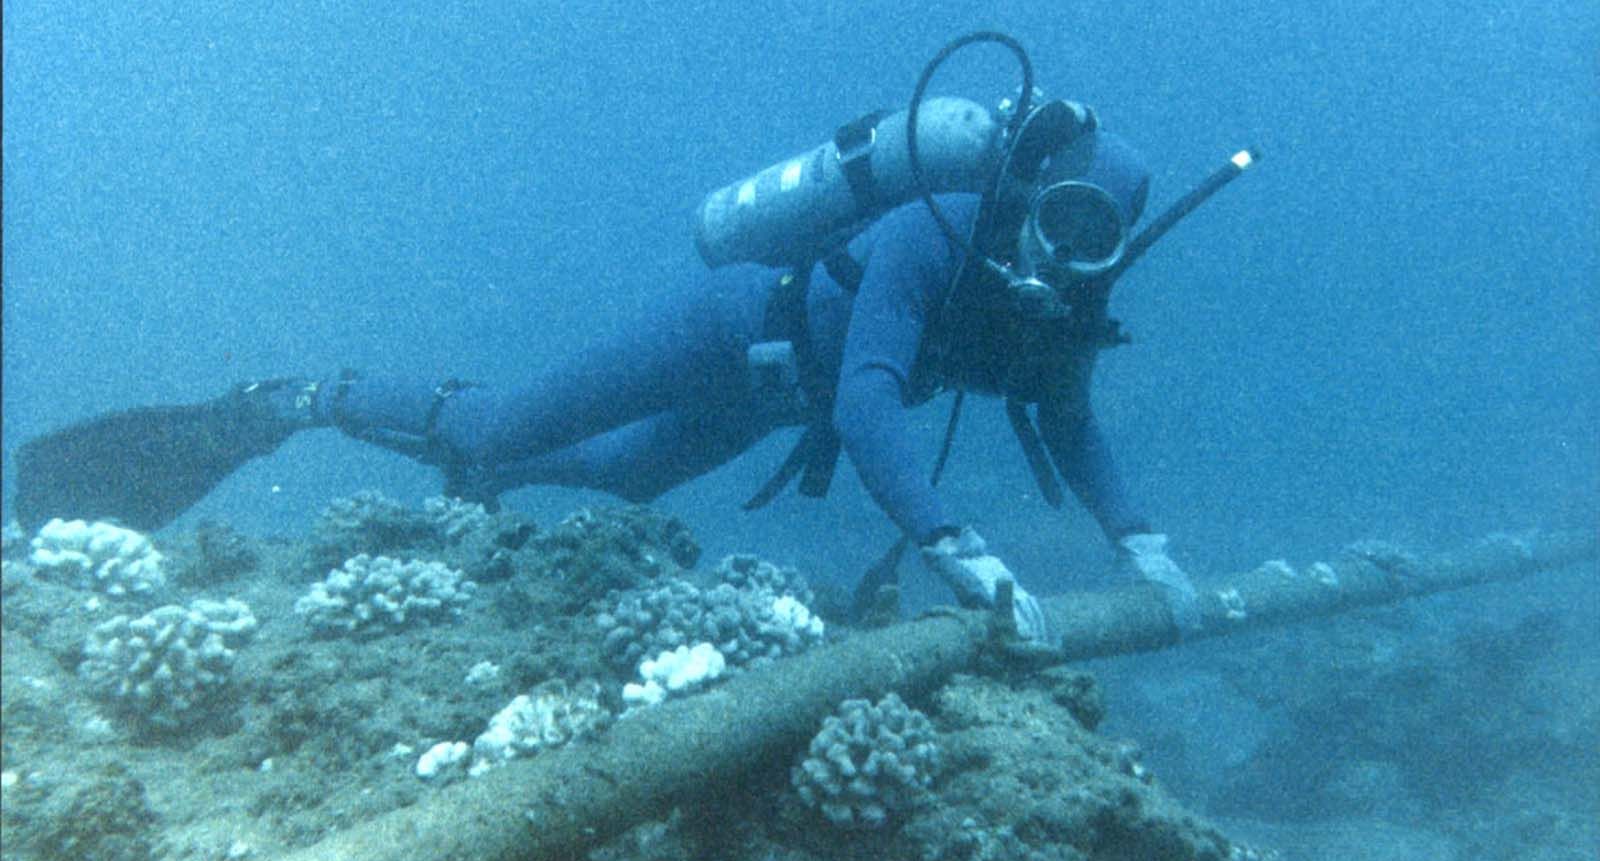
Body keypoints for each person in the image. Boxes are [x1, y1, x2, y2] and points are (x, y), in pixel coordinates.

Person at [16, 38, 1237, 643]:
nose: (1073, 254)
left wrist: (1146, 545)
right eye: (1064, 220)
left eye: (1102, 233)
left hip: (772, 401)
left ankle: (474, 472)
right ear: (1026, 197)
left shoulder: (1063, 299)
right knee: (503, 422)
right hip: (727, 332)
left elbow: (1069, 422)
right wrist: (954, 543)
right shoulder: (937, 229)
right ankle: (299, 398)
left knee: (621, 475)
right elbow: (871, 401)